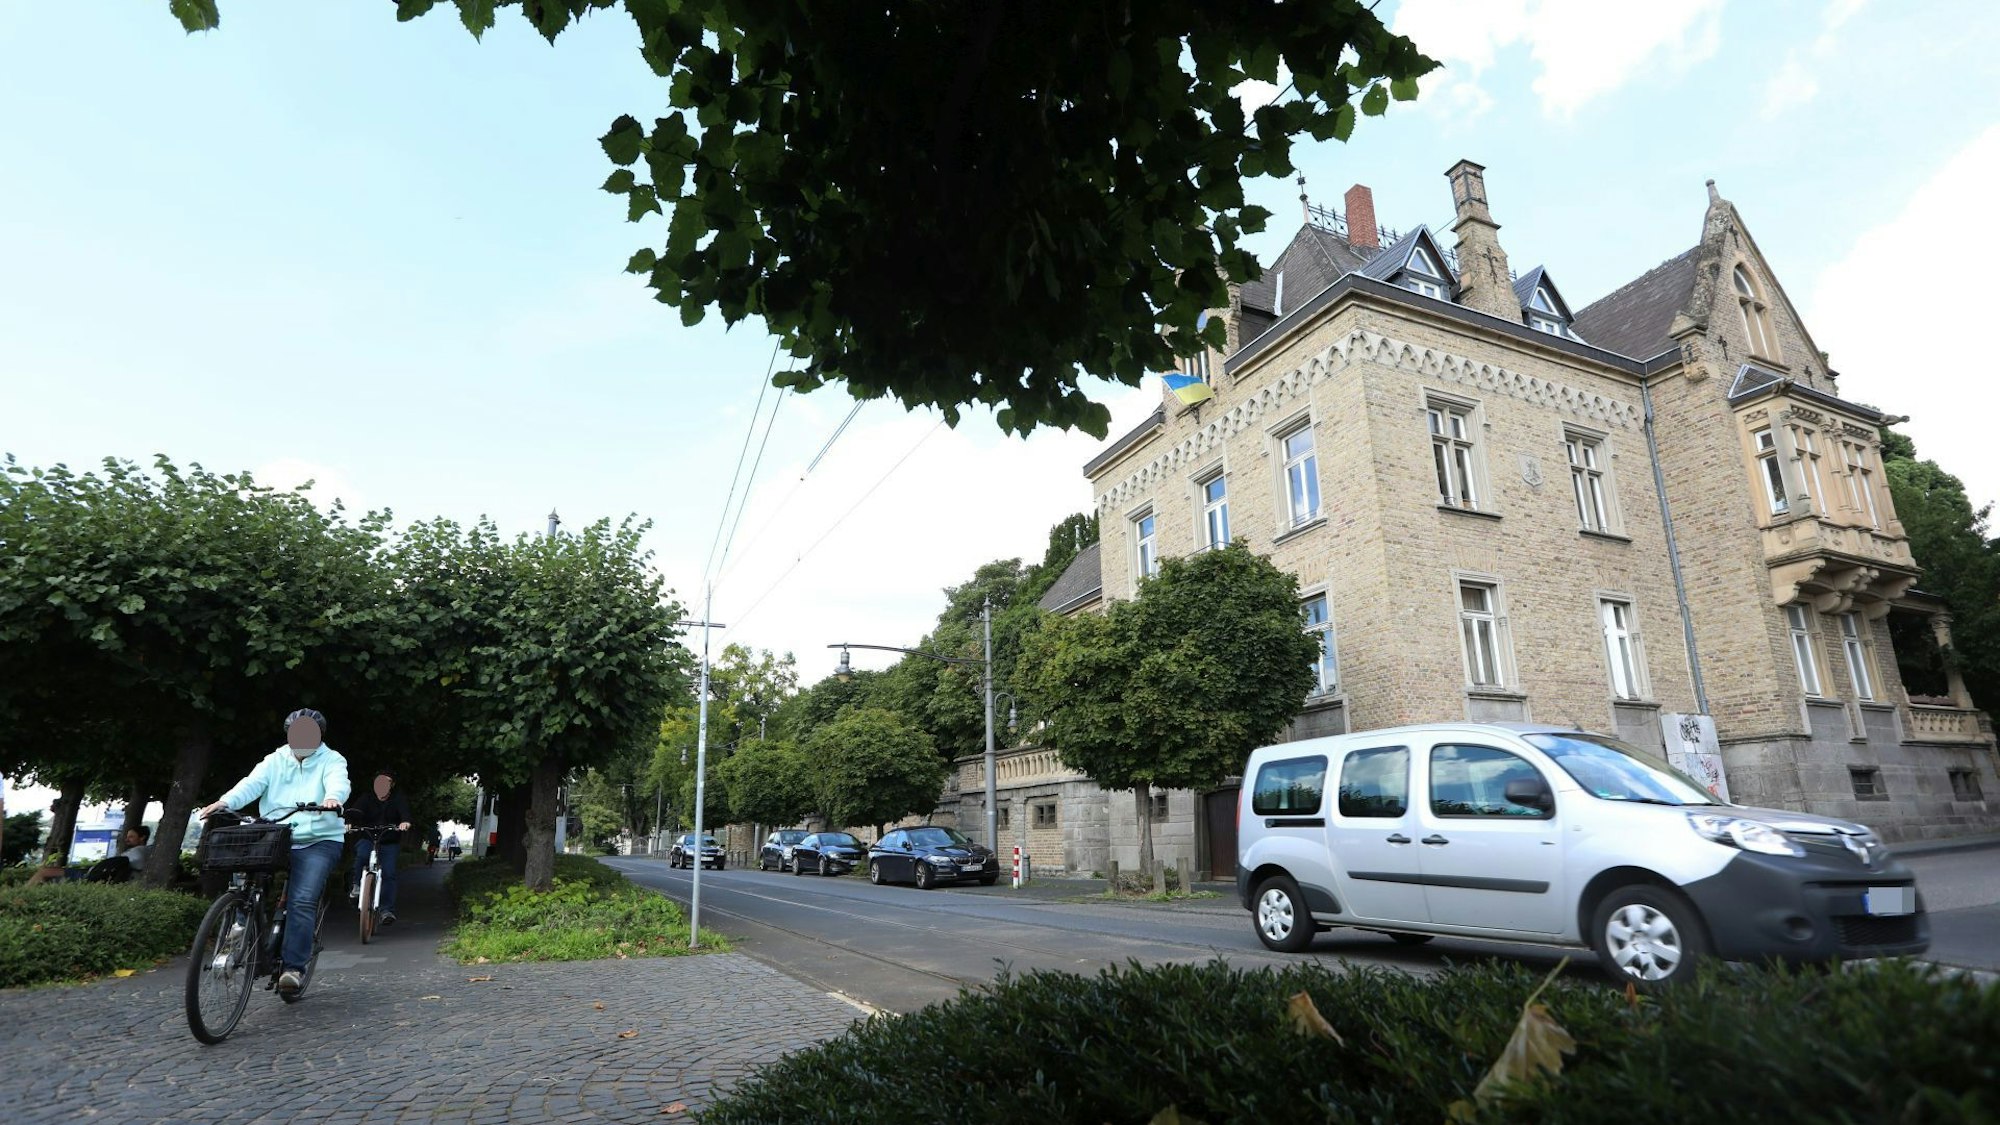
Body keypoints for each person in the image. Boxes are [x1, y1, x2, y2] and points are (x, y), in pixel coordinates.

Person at [198, 707, 350, 997]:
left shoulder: (332, 759)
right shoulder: (275, 760)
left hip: (319, 839)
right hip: (276, 835)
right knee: (247, 880)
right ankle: (239, 928)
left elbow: (338, 781)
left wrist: (332, 798)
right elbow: (252, 784)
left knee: (303, 900)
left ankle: (293, 968)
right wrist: (224, 802)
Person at [346, 769, 411, 927]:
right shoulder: (366, 798)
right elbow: (355, 812)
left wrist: (405, 822)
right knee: (361, 855)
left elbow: (405, 814)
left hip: (389, 840)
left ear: (392, 785)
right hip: (368, 837)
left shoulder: (398, 799)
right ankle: (356, 885)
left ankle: (386, 910)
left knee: (389, 873)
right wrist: (349, 822)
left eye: (386, 782)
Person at [85, 826, 151, 884]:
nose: (127, 840)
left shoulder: (138, 851)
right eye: (127, 837)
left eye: (131, 837)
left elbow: (116, 863)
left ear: (142, 837)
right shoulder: (147, 851)